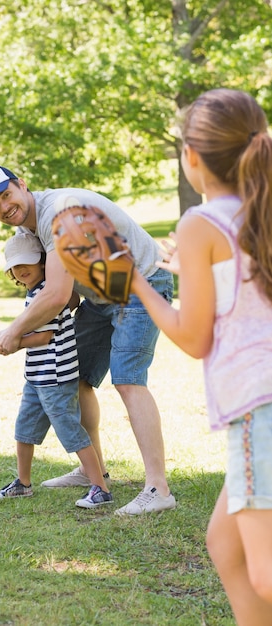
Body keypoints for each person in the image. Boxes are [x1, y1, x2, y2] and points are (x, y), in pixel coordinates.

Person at [127, 89, 272, 625]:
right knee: (226, 546)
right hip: (262, 404)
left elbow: (194, 339)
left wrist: (139, 282)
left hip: (260, 407)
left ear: (191, 156)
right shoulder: (260, 210)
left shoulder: (201, 223)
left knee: (266, 573)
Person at [0, 165, 176, 516]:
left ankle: (158, 489)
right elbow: (64, 293)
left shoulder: (60, 213)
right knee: (76, 375)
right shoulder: (29, 227)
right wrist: (25, 325)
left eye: (6, 195)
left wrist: (14, 331)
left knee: (128, 380)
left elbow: (55, 294)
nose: (4, 207)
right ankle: (92, 471)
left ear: (22, 185)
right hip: (102, 297)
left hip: (142, 285)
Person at [0, 232, 113, 509]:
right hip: (37, 376)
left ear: (44, 262)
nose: (22, 270)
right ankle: (23, 484)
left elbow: (43, 337)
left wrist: (12, 342)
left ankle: (100, 487)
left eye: (28, 263)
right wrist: (9, 334)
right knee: (24, 429)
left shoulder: (46, 294)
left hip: (56, 377)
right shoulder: (37, 292)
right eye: (15, 266)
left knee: (71, 431)